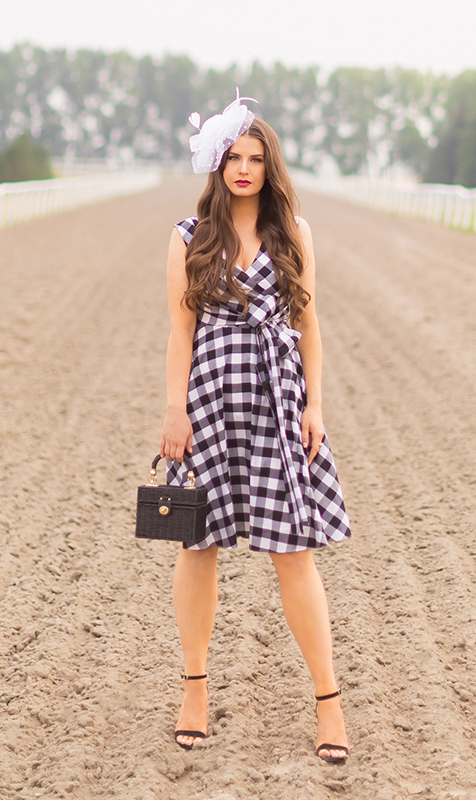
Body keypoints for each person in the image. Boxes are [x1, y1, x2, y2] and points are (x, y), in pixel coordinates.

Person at [160, 90, 351, 763]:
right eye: (234, 157)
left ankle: (329, 702)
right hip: (211, 401)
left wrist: (315, 405)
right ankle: (194, 690)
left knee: (293, 553)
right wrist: (173, 410)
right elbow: (181, 330)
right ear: (217, 164)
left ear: (271, 167)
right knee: (196, 546)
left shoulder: (293, 233)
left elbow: (310, 325)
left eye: (256, 158)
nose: (245, 169)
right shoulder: (190, 237)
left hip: (278, 402)